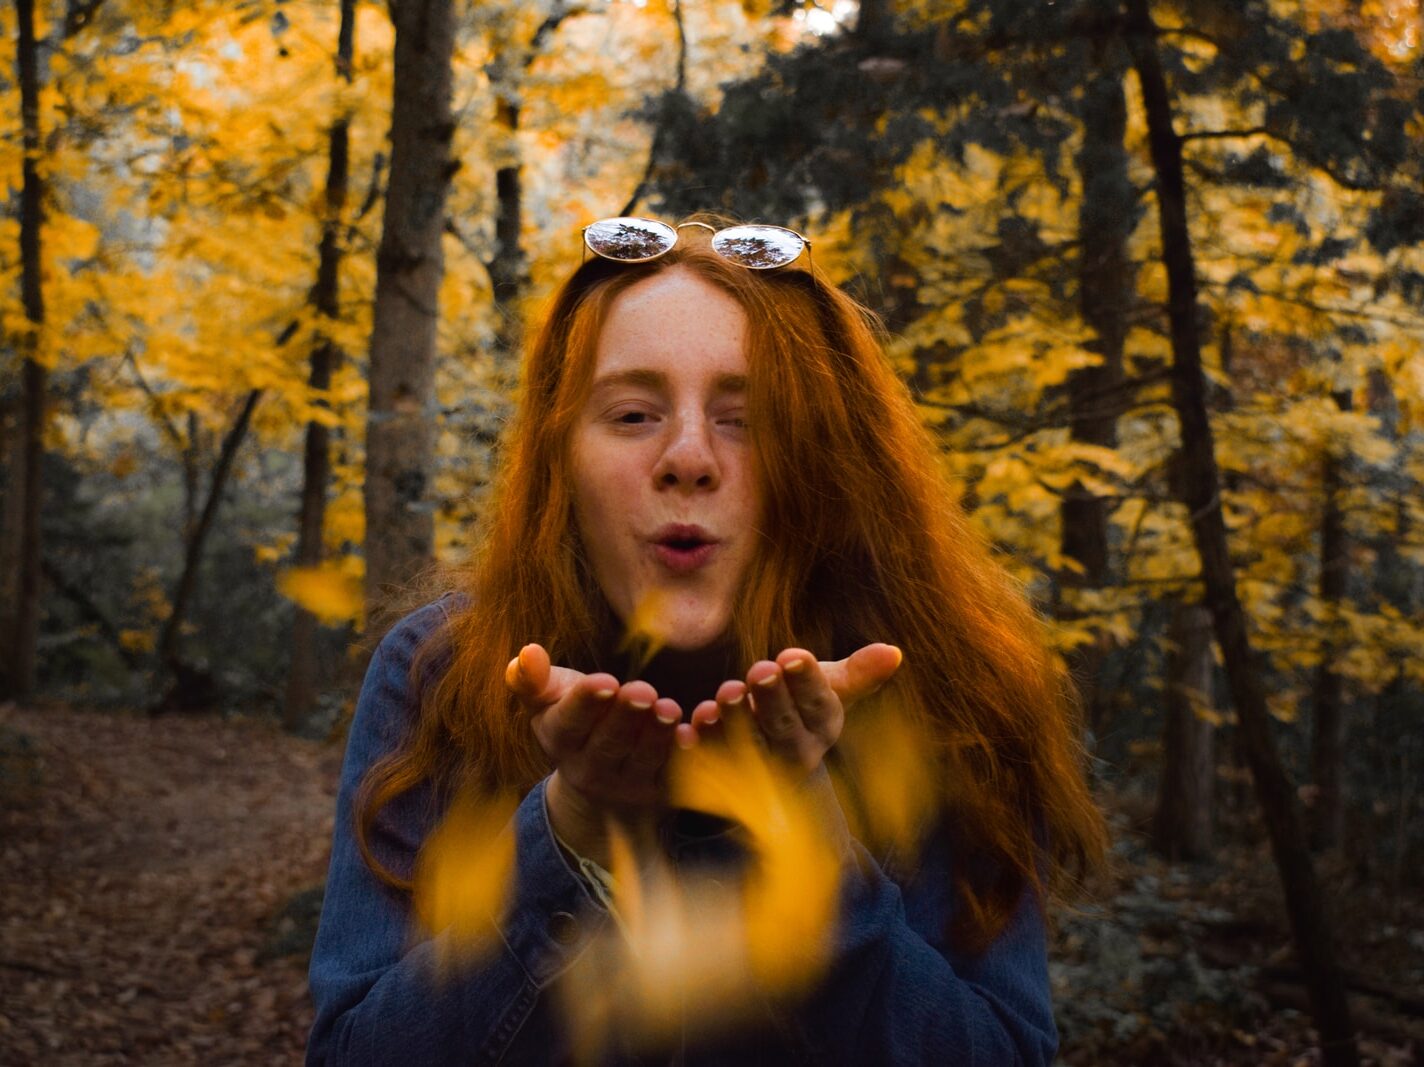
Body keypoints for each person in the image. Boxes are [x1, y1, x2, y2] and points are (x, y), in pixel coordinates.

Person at [306, 215, 1108, 1065]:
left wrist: (808, 849)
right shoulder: (443, 674)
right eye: (632, 413)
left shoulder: (953, 689)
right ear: (560, 460)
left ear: (825, 461)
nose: (688, 456)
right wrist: (569, 836)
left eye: (746, 418)